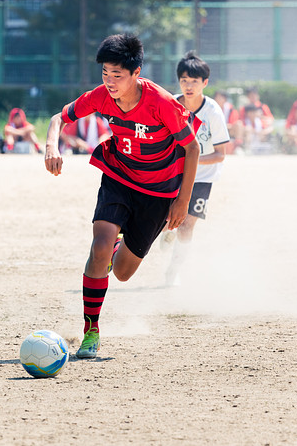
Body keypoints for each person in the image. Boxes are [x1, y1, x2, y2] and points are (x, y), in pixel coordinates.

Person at [44, 33, 199, 359]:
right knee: (99, 248)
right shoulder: (100, 97)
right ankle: (91, 329)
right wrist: (50, 147)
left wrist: (182, 201)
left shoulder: (161, 103)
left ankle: (118, 244)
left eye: (118, 75)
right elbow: (59, 118)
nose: (110, 81)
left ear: (136, 73)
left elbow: (192, 147)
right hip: (118, 176)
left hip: (158, 192)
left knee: (124, 272)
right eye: (105, 73)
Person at [159, 51, 229, 287]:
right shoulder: (170, 105)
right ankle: (167, 228)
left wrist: (193, 160)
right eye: (184, 81)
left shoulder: (213, 113)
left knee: (187, 225)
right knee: (166, 221)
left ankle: (173, 272)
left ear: (205, 83)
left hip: (202, 178)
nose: (188, 86)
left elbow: (220, 154)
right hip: (174, 175)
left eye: (194, 82)